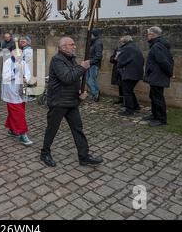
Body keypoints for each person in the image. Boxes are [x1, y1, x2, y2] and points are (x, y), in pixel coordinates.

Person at [40, 37, 103, 167]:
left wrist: (80, 92)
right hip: (58, 102)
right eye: (71, 44)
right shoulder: (57, 60)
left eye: (74, 44)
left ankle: (84, 156)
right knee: (52, 129)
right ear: (63, 47)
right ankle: (45, 153)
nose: (74, 47)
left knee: (77, 129)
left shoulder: (72, 59)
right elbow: (67, 78)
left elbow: (74, 79)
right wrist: (82, 67)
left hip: (71, 102)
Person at [143, 26, 174, 127]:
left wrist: (170, 73)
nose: (147, 36)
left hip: (158, 76)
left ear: (152, 34)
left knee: (158, 98)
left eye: (148, 34)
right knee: (153, 96)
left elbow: (164, 61)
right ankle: (155, 114)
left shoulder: (157, 46)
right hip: (155, 76)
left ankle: (161, 119)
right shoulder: (157, 45)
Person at [1, 48, 33, 146]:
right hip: (11, 91)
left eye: (20, 52)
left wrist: (25, 78)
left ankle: (12, 129)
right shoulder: (8, 62)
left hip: (21, 91)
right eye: (16, 52)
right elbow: (5, 76)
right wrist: (16, 70)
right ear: (12, 53)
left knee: (18, 111)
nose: (18, 54)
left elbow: (28, 74)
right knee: (18, 113)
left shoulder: (23, 62)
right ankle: (22, 134)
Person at [117, 36, 144, 116]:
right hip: (136, 73)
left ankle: (129, 110)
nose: (120, 43)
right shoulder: (135, 47)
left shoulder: (126, 48)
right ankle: (136, 106)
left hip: (129, 73)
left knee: (127, 92)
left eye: (121, 42)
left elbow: (121, 62)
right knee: (129, 90)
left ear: (124, 42)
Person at [86, 28, 103, 102]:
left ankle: (96, 94)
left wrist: (90, 62)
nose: (90, 36)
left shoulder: (98, 43)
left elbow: (98, 56)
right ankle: (95, 93)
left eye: (91, 34)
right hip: (89, 63)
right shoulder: (92, 42)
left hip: (94, 65)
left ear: (94, 35)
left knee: (91, 80)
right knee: (86, 79)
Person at [109, 40, 123, 105]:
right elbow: (111, 58)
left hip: (123, 69)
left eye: (121, 41)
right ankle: (121, 99)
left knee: (124, 86)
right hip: (117, 69)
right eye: (120, 41)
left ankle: (125, 101)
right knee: (119, 85)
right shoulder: (118, 48)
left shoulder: (127, 49)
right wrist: (114, 59)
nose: (120, 42)